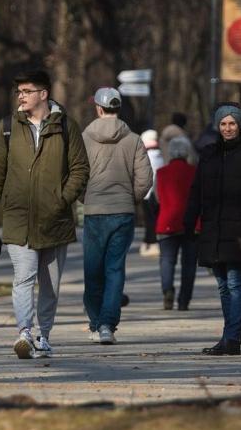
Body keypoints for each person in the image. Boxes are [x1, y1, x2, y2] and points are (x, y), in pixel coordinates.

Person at [0, 69, 89, 359]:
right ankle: (24, 333)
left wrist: (62, 199)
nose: (21, 96)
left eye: (27, 91)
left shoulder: (67, 126)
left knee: (50, 284)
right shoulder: (7, 127)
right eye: (19, 92)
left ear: (43, 94)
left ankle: (44, 335)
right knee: (24, 278)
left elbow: (80, 169)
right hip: (18, 217)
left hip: (55, 219)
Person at [184, 103, 241, 356]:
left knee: (235, 282)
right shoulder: (208, 154)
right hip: (213, 228)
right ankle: (230, 334)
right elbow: (196, 191)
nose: (228, 128)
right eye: (223, 124)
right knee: (222, 284)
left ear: (239, 125)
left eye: (232, 123)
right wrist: (190, 221)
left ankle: (231, 337)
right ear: (217, 126)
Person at [81, 87, 153, 344]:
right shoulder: (133, 139)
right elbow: (145, 178)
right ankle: (107, 325)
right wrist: (130, 197)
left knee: (92, 270)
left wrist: (85, 197)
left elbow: (75, 175)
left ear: (98, 109)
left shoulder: (84, 139)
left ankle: (95, 322)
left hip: (94, 211)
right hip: (123, 212)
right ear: (118, 109)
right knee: (114, 269)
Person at [155, 136, 198, 311]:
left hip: (167, 221)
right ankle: (184, 300)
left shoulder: (162, 172)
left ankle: (167, 292)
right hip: (191, 222)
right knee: (188, 264)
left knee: (167, 260)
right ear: (187, 152)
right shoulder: (195, 172)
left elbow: (157, 198)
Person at [139, 129, 164, 257]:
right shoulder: (161, 155)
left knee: (149, 219)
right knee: (155, 219)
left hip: (148, 193)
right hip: (160, 193)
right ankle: (150, 242)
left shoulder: (145, 156)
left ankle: (151, 242)